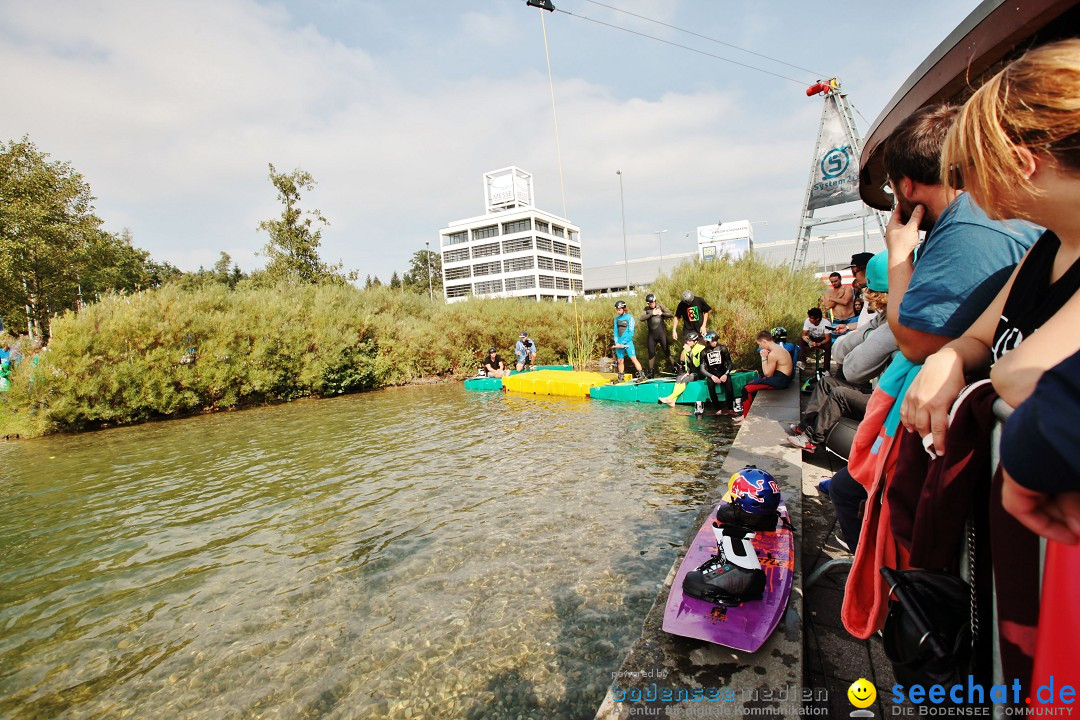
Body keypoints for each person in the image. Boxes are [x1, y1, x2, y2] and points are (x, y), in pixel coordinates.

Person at [900, 40, 1080, 457]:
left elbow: (1021, 373)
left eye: (965, 169)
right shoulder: (1046, 248)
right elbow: (978, 338)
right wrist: (948, 358)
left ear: (1017, 164)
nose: (960, 188)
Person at [789, 250, 896, 452]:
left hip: (887, 402)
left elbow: (854, 370)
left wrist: (868, 336)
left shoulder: (894, 324)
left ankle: (813, 439)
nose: (870, 302)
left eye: (872, 295)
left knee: (839, 393)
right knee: (827, 382)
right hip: (877, 389)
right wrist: (866, 335)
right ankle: (807, 426)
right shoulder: (881, 318)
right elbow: (840, 352)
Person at [739, 331, 792, 418]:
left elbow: (767, 374)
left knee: (746, 389)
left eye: (759, 344)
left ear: (764, 341)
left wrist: (763, 357)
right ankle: (745, 414)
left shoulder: (773, 353)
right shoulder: (779, 348)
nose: (759, 346)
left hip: (780, 381)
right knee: (752, 383)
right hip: (783, 379)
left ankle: (744, 417)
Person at [658, 332, 706, 407]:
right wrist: (687, 372)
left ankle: (670, 397)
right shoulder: (686, 349)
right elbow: (688, 364)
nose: (688, 342)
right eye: (687, 340)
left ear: (695, 341)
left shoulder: (701, 348)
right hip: (692, 371)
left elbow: (696, 364)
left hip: (701, 372)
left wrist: (690, 352)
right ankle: (673, 401)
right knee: (680, 377)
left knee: (686, 379)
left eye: (690, 341)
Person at [698, 331, 740, 415]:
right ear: (708, 341)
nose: (715, 343)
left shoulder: (722, 348)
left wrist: (726, 374)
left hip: (723, 371)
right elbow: (702, 369)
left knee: (729, 386)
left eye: (716, 341)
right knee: (710, 385)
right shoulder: (704, 352)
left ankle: (730, 408)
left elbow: (730, 363)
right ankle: (717, 408)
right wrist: (712, 376)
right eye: (713, 341)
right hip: (712, 373)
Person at [639, 293, 674, 376]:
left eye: (652, 302)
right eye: (649, 303)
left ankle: (675, 367)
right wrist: (652, 313)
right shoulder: (646, 309)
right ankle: (651, 371)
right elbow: (641, 318)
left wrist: (662, 313)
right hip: (652, 336)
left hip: (661, 334)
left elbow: (671, 314)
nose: (651, 304)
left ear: (655, 301)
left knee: (667, 352)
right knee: (651, 353)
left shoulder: (660, 306)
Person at [612, 300, 645, 378]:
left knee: (633, 358)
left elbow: (631, 332)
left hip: (628, 343)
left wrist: (623, 342)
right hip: (619, 343)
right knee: (620, 360)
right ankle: (621, 377)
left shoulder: (629, 318)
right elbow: (615, 332)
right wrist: (617, 342)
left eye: (619, 310)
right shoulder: (616, 319)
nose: (618, 311)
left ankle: (641, 375)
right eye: (617, 310)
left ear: (624, 309)